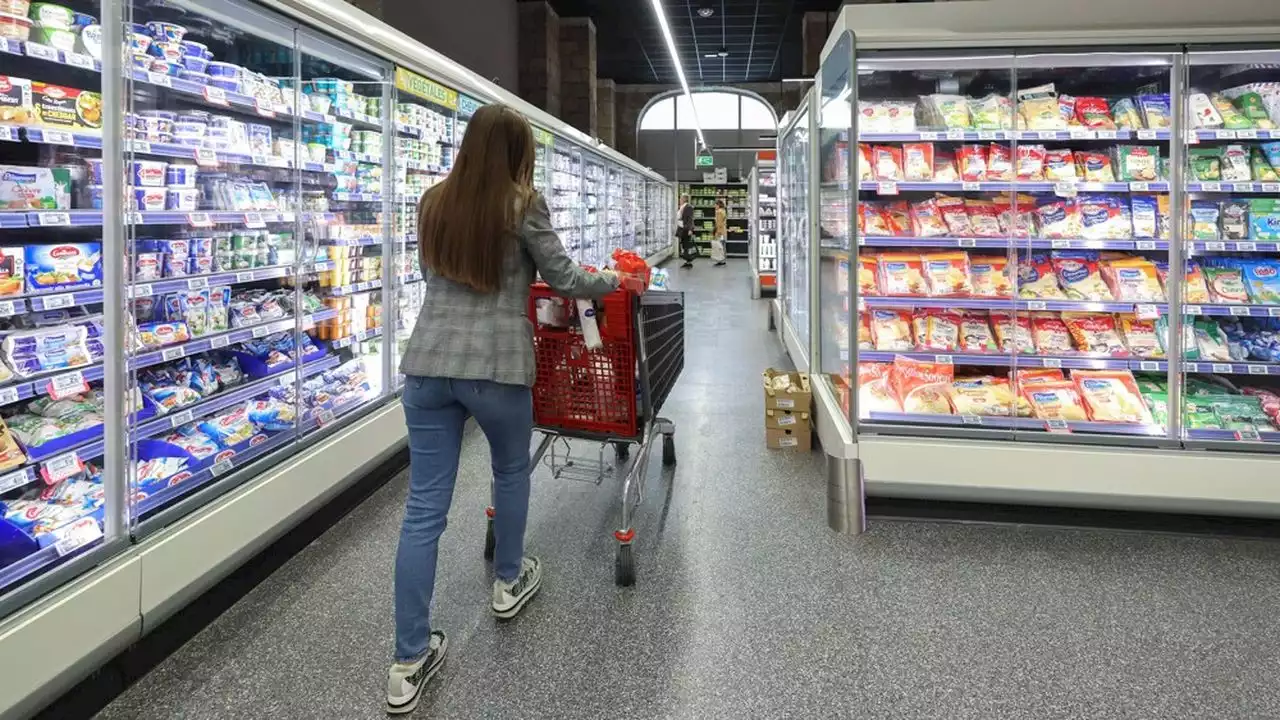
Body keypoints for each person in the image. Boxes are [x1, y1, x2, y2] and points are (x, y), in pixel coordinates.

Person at [387, 103, 620, 715]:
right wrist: (612, 282)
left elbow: (432, 273)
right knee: (510, 471)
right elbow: (565, 278)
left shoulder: (433, 201)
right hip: (495, 368)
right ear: (517, 152)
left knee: (422, 510)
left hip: (429, 366)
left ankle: (408, 659)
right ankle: (508, 582)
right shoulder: (523, 203)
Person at [677, 194, 697, 268]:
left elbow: (690, 219)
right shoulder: (682, 207)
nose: (680, 200)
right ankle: (687, 261)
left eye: (681, 198)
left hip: (686, 229)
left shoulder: (688, 207)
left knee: (686, 245)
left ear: (684, 199)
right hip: (682, 228)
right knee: (684, 245)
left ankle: (688, 261)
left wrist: (690, 229)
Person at [711, 198, 728, 266]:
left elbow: (719, 223)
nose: (715, 206)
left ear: (718, 205)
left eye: (715, 205)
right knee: (722, 245)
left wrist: (717, 232)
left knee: (719, 246)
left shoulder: (718, 212)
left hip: (720, 231)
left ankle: (720, 260)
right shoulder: (723, 211)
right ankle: (722, 260)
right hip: (723, 230)